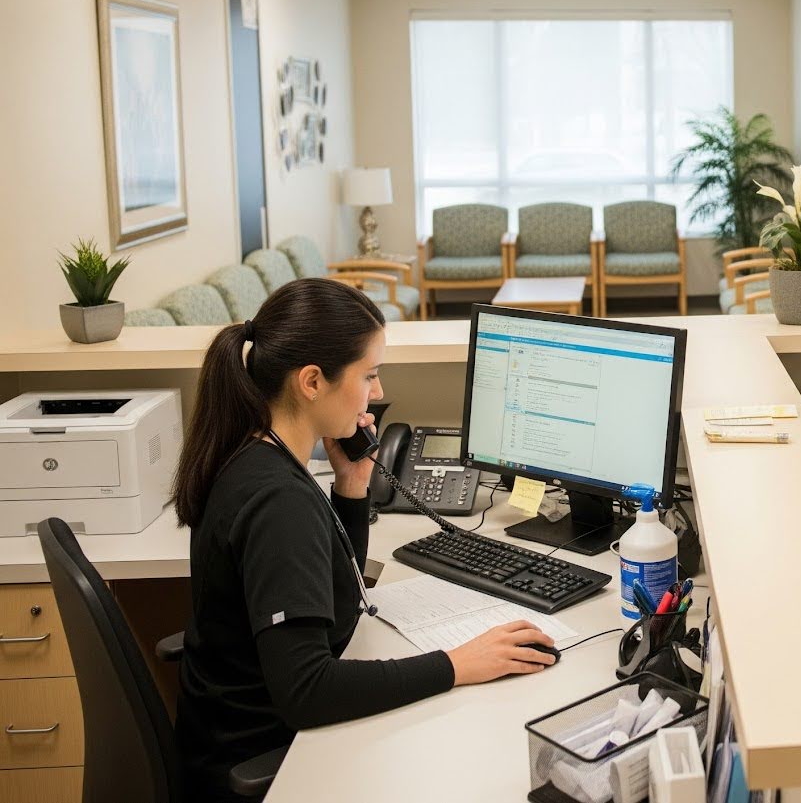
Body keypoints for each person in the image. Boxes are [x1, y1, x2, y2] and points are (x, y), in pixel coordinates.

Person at [172, 278, 558, 801]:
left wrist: (352, 488)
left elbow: (335, 598)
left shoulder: (254, 456)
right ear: (311, 381)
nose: (377, 394)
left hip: (238, 736)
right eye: (369, 375)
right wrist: (458, 665)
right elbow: (308, 691)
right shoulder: (278, 503)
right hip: (268, 765)